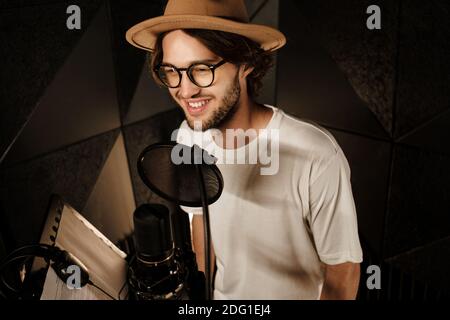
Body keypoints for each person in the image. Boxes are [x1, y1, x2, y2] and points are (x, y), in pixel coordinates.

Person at [126, 0, 363, 300]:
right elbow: (201, 225)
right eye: (172, 71)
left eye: (202, 69)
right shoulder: (188, 138)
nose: (185, 91)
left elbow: (343, 275)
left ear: (245, 63)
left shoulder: (316, 154)